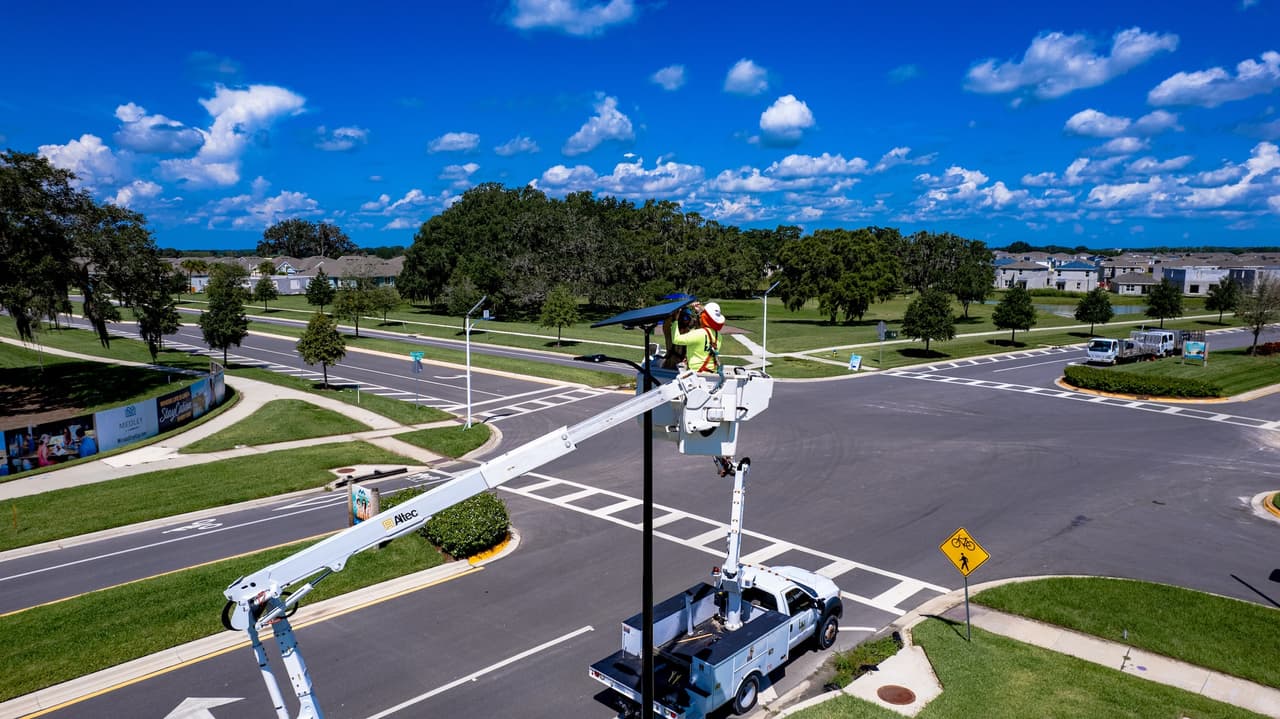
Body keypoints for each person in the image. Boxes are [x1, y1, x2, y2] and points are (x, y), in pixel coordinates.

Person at [665, 301, 725, 373]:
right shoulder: (719, 336)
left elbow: (676, 339)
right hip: (712, 372)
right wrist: (699, 312)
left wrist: (675, 320)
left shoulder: (698, 334)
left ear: (704, 318)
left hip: (697, 374)